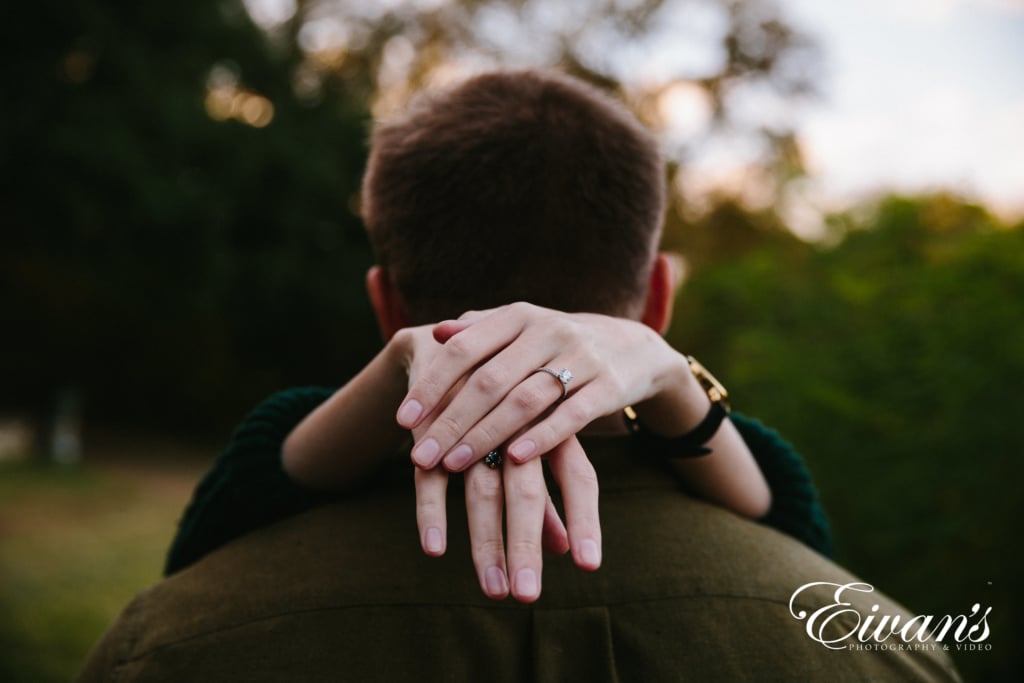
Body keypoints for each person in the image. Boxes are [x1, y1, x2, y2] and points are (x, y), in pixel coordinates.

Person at [77, 69, 959, 681]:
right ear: (658, 296)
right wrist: (678, 386)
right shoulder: (888, 649)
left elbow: (202, 546)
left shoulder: (161, 646)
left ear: (385, 305)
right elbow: (801, 537)